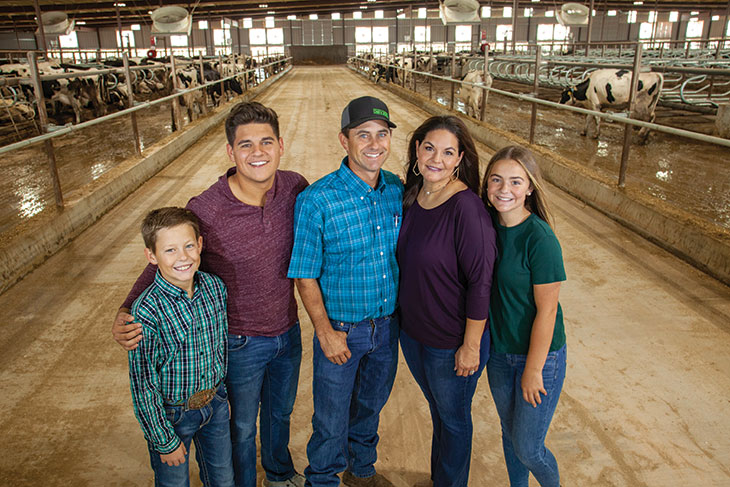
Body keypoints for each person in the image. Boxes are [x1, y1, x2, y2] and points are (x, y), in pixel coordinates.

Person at [112, 102, 309, 487]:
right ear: (230, 152)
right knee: (239, 426)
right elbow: (167, 255)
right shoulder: (207, 208)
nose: (258, 153)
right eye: (246, 144)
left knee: (280, 413)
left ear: (281, 146)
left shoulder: (295, 186)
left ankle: (280, 474)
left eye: (266, 142)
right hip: (239, 341)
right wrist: (125, 309)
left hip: (288, 330)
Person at [287, 96, 402, 487]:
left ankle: (363, 469)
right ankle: (322, 478)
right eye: (363, 135)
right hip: (342, 329)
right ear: (344, 140)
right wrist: (324, 331)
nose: (374, 144)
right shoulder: (317, 199)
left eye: (382, 134)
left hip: (386, 328)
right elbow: (304, 275)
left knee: (371, 406)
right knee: (331, 415)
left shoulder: (396, 190)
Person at [396, 116, 496, 487]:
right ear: (417, 151)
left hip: (451, 341)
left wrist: (470, 346)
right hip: (415, 335)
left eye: (448, 152)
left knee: (453, 421)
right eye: (429, 148)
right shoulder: (414, 195)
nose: (436, 158)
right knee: (440, 414)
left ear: (460, 159)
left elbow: (480, 282)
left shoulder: (466, 208)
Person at [128, 207, 234, 487]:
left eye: (188, 246)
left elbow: (220, 347)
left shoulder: (215, 289)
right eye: (170, 250)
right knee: (174, 482)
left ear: (200, 244)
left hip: (215, 404)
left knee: (223, 478)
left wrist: (222, 397)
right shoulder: (146, 312)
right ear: (151, 256)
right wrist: (164, 441)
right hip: (173, 415)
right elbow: (143, 384)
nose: (183, 257)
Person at [480, 146, 567, 487]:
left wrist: (533, 369)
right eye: (496, 180)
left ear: (530, 187)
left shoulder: (540, 239)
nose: (505, 189)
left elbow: (547, 311)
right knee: (510, 434)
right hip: (500, 353)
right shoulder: (486, 227)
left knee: (529, 447)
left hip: (540, 357)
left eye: (516, 182)